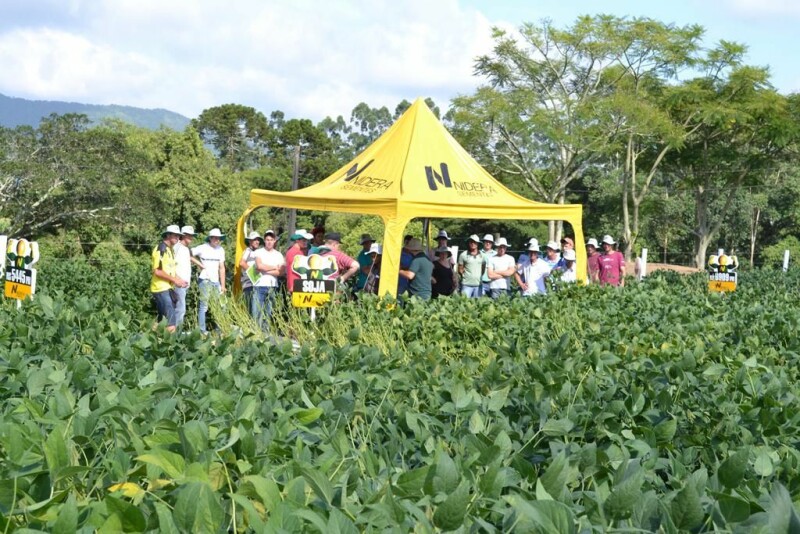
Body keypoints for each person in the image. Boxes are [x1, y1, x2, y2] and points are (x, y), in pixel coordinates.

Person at [150, 225, 188, 332]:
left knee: (162, 321)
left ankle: (150, 339)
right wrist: (175, 280)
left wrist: (180, 280)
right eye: (175, 235)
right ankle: (172, 346)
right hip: (160, 289)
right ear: (168, 235)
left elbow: (170, 271)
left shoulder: (170, 250)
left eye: (178, 236)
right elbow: (157, 271)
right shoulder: (160, 249)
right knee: (171, 323)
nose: (177, 238)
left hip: (167, 289)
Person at [192, 228, 226, 334]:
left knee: (222, 305)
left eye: (218, 238)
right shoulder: (202, 248)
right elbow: (188, 254)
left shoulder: (221, 250)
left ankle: (219, 329)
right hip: (205, 280)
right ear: (210, 238)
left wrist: (223, 285)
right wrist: (200, 264)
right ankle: (202, 330)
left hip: (216, 282)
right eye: (215, 238)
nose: (217, 240)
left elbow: (222, 268)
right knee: (204, 306)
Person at [252, 230, 285, 328]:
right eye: (267, 239)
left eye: (271, 239)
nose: (269, 242)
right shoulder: (258, 252)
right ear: (264, 241)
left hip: (272, 286)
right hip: (259, 285)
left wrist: (265, 270)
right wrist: (274, 267)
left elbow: (281, 272)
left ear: (274, 241)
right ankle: (255, 332)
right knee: (256, 311)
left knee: (268, 312)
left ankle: (265, 333)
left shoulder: (278, 255)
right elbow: (259, 266)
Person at [173, 225, 204, 327]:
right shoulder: (177, 247)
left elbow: (190, 258)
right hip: (178, 283)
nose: (191, 237)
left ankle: (173, 331)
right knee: (180, 309)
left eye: (192, 236)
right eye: (188, 235)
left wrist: (200, 265)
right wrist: (178, 279)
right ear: (183, 235)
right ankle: (176, 333)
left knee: (179, 308)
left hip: (184, 284)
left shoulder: (186, 249)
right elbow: (170, 264)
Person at [238, 231, 264, 317]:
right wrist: (253, 274)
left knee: (257, 307)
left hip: (256, 282)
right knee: (250, 307)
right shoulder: (248, 251)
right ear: (250, 241)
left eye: (258, 240)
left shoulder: (259, 252)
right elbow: (241, 263)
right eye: (255, 240)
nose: (257, 242)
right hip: (248, 283)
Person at [285, 228, 313, 294]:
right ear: (297, 240)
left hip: (300, 285)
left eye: (306, 240)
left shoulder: (298, 251)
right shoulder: (294, 253)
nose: (306, 242)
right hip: (295, 285)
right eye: (304, 240)